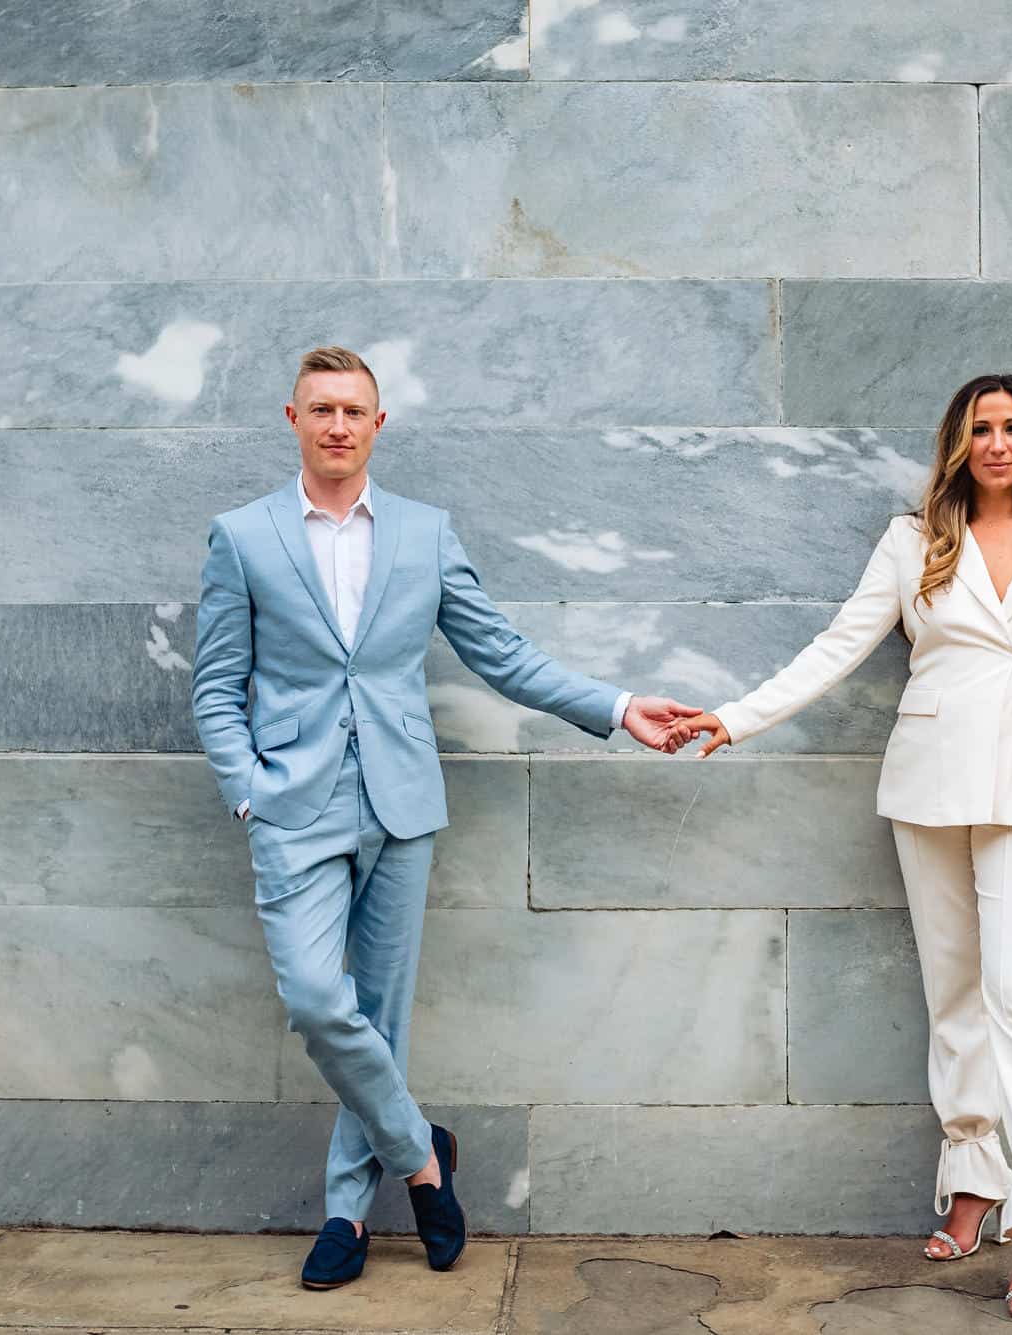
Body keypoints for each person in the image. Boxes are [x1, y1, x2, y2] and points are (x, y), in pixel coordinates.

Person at [191, 345, 699, 1289]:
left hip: (401, 800)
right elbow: (216, 686)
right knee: (315, 997)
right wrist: (248, 789)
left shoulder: (423, 533)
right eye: (321, 409)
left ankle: (345, 1209)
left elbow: (500, 652)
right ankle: (423, 1155)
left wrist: (617, 704)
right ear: (292, 418)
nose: (338, 424)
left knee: (379, 1018)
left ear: (379, 425)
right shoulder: (244, 535)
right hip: (292, 806)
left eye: (355, 410)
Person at [673, 373, 1012, 1321]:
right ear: (957, 444)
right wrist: (735, 718)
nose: (996, 442)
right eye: (978, 429)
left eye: (1010, 427)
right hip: (930, 776)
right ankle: (973, 1171)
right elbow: (840, 643)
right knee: (954, 983)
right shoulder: (915, 535)